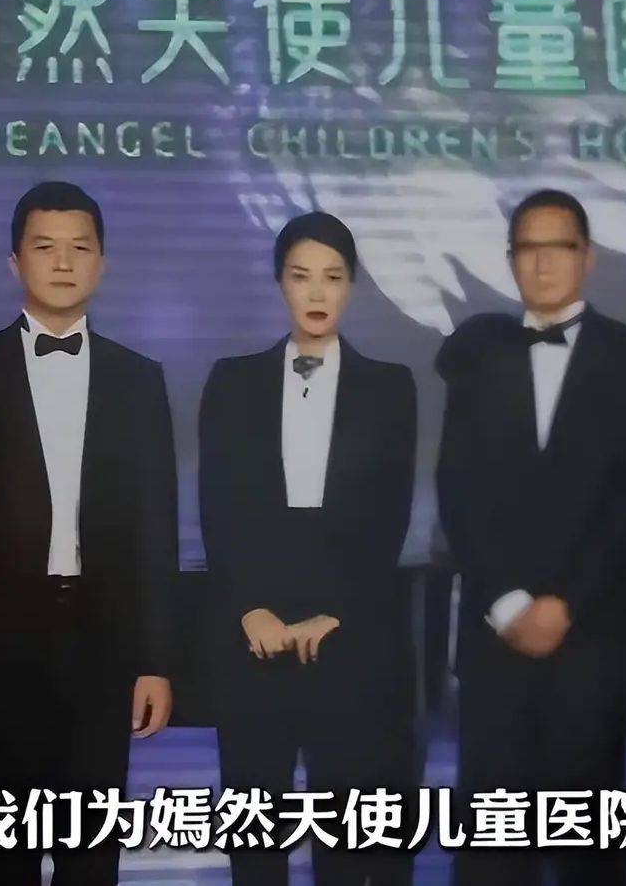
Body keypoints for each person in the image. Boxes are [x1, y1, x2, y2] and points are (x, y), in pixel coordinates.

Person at [0, 181, 177, 886]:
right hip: (1, 641)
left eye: (79, 248)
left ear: (102, 263)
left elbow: (156, 528)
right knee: (3, 851)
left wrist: (155, 659)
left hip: (104, 641)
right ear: (14, 261)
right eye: (45, 247)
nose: (63, 262)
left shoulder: (138, 379)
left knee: (92, 852)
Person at [436, 189, 626, 886]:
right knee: (491, 848)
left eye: (558, 247)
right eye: (527, 249)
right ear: (510, 260)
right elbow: (458, 491)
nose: (542, 263)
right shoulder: (477, 355)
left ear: (587, 257)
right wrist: (508, 604)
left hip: (596, 636)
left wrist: (563, 603)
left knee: (591, 848)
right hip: (494, 640)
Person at [199, 211, 417, 886]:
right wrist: (249, 609)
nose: (317, 292)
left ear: (351, 286)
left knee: (346, 842)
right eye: (301, 276)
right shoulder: (232, 381)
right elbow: (217, 509)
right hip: (252, 635)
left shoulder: (390, 387)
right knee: (254, 837)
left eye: (333, 277)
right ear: (280, 283)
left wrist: (336, 613)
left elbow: (389, 518)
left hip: (348, 634)